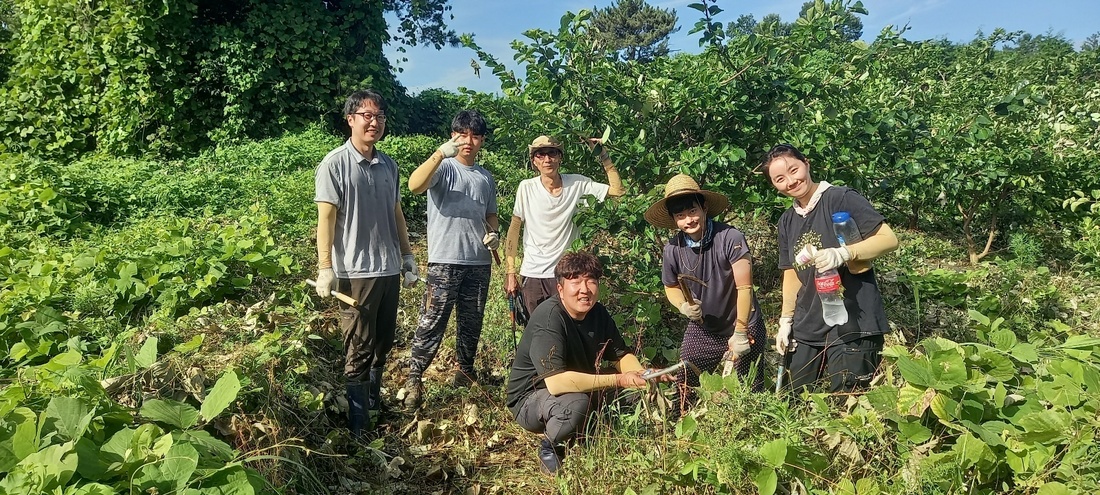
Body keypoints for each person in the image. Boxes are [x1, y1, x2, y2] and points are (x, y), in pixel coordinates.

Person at [505, 252, 670, 473]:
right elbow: (556, 383)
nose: (585, 289)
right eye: (575, 281)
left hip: (578, 387)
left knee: (637, 391)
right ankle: (552, 447)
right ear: (560, 288)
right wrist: (620, 379)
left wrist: (641, 374)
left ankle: (590, 432)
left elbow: (621, 355)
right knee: (576, 404)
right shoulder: (549, 317)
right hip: (532, 398)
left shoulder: (597, 312)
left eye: (591, 281)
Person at [313, 89, 416, 434]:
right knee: (357, 346)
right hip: (355, 272)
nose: (374, 122)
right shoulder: (335, 164)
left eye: (380, 116)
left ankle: (373, 406)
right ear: (351, 119)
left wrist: (407, 255)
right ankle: (360, 427)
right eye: (367, 116)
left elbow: (396, 212)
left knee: (383, 344)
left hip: (388, 270)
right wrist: (325, 267)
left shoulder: (389, 165)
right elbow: (325, 218)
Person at [759, 144, 899, 393]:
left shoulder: (839, 198)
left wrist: (845, 253)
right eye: (780, 179)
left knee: (849, 403)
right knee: (794, 401)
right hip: (808, 324)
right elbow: (791, 273)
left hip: (853, 321)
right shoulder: (787, 221)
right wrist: (785, 320)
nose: (791, 181)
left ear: (807, 164)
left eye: (794, 170)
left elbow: (889, 239)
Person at [644, 174, 768, 408]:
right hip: (705, 326)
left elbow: (744, 287)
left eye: (692, 211)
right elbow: (670, 286)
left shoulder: (730, 237)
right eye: (680, 216)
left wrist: (740, 331)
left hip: (742, 322)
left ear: (704, 207)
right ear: (673, 220)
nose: (688, 220)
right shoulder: (672, 249)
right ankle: (681, 424)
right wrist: (683, 306)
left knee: (748, 388)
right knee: (686, 380)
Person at [403, 110, 499, 408]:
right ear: (453, 135)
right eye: (462, 134)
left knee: (472, 322)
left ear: (482, 140)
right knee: (432, 321)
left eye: (475, 135)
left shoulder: (485, 177)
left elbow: (491, 214)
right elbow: (414, 185)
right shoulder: (444, 168)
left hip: (479, 262)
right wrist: (439, 154)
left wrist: (494, 233)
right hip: (444, 260)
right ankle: (414, 379)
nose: (468, 141)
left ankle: (465, 372)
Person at [504, 136, 625, 316]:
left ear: (560, 157)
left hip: (566, 273)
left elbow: (618, 191)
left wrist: (603, 155)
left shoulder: (578, 183)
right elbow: (514, 231)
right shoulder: (526, 188)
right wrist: (510, 273)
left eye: (552, 153)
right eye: (541, 154)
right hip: (533, 273)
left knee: (568, 329)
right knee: (537, 332)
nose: (547, 159)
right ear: (534, 161)